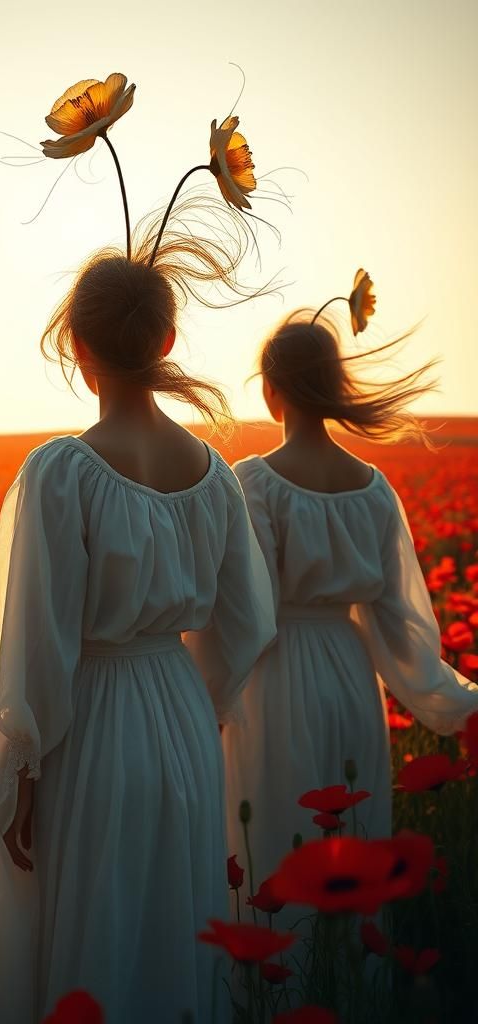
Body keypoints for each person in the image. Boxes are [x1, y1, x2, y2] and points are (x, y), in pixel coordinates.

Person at [0, 209, 277, 1023]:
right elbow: (247, 625)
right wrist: (200, 704)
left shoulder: (64, 471)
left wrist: (21, 766)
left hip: (91, 723)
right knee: (168, 924)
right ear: (165, 343)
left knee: (96, 926)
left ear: (78, 348)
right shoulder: (216, 476)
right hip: (184, 722)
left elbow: (41, 642)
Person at [223, 303, 478, 923]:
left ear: (271, 389)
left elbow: (245, 611)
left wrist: (202, 696)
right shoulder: (374, 487)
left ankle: (273, 996)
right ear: (335, 386)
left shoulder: (253, 481)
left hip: (273, 679)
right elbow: (402, 624)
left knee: (275, 844)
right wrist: (459, 703)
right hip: (349, 676)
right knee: (351, 849)